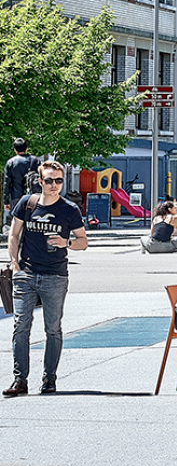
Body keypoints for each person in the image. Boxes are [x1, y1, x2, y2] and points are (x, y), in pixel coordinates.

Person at [5, 161, 88, 396]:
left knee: (52, 329)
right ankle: (20, 380)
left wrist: (66, 243)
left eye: (59, 180)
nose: (54, 185)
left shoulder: (69, 209)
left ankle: (49, 379)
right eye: (49, 180)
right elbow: (13, 234)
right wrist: (14, 264)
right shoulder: (27, 203)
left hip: (55, 275)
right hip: (26, 274)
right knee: (21, 326)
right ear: (40, 182)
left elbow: (83, 242)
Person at [4, 137, 39, 225]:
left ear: (15, 150)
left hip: (16, 197)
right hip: (33, 196)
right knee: (32, 222)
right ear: (26, 148)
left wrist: (6, 201)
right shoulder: (35, 161)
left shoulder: (11, 162)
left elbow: (7, 182)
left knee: (17, 223)